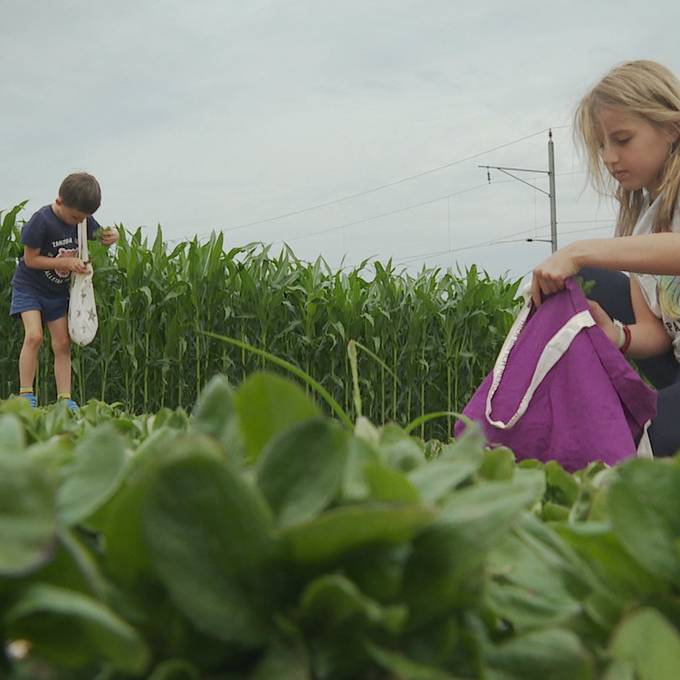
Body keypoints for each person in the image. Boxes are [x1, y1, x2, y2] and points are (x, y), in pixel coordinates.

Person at [531, 60, 680, 457]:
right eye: (602, 145)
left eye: (622, 139)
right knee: (595, 275)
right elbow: (660, 334)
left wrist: (579, 250)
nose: (611, 157)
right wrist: (617, 335)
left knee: (643, 449)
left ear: (670, 127)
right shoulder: (645, 221)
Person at [9, 172, 119, 411]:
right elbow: (30, 260)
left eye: (83, 218)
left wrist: (112, 237)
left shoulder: (82, 220)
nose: (77, 222)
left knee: (62, 343)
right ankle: (26, 395)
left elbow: (100, 237)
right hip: (29, 287)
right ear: (59, 202)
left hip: (57, 293)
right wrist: (65, 263)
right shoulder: (41, 221)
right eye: (74, 217)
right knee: (34, 336)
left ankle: (64, 399)